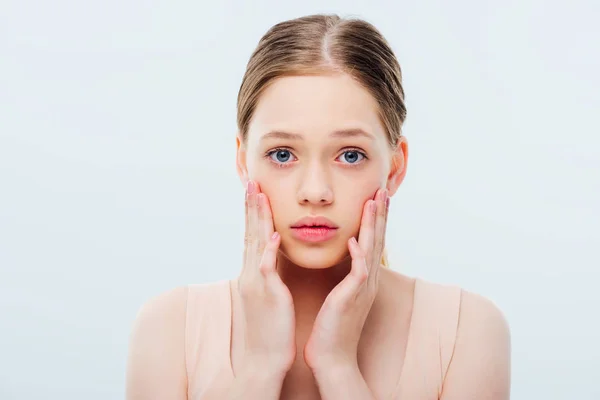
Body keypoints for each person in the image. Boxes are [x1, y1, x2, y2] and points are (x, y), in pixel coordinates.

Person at [125, 13, 511, 400]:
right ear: (243, 162)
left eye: (350, 155)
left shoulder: (467, 330)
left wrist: (338, 366)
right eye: (281, 154)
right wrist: (261, 366)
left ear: (396, 166)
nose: (315, 191)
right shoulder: (168, 329)